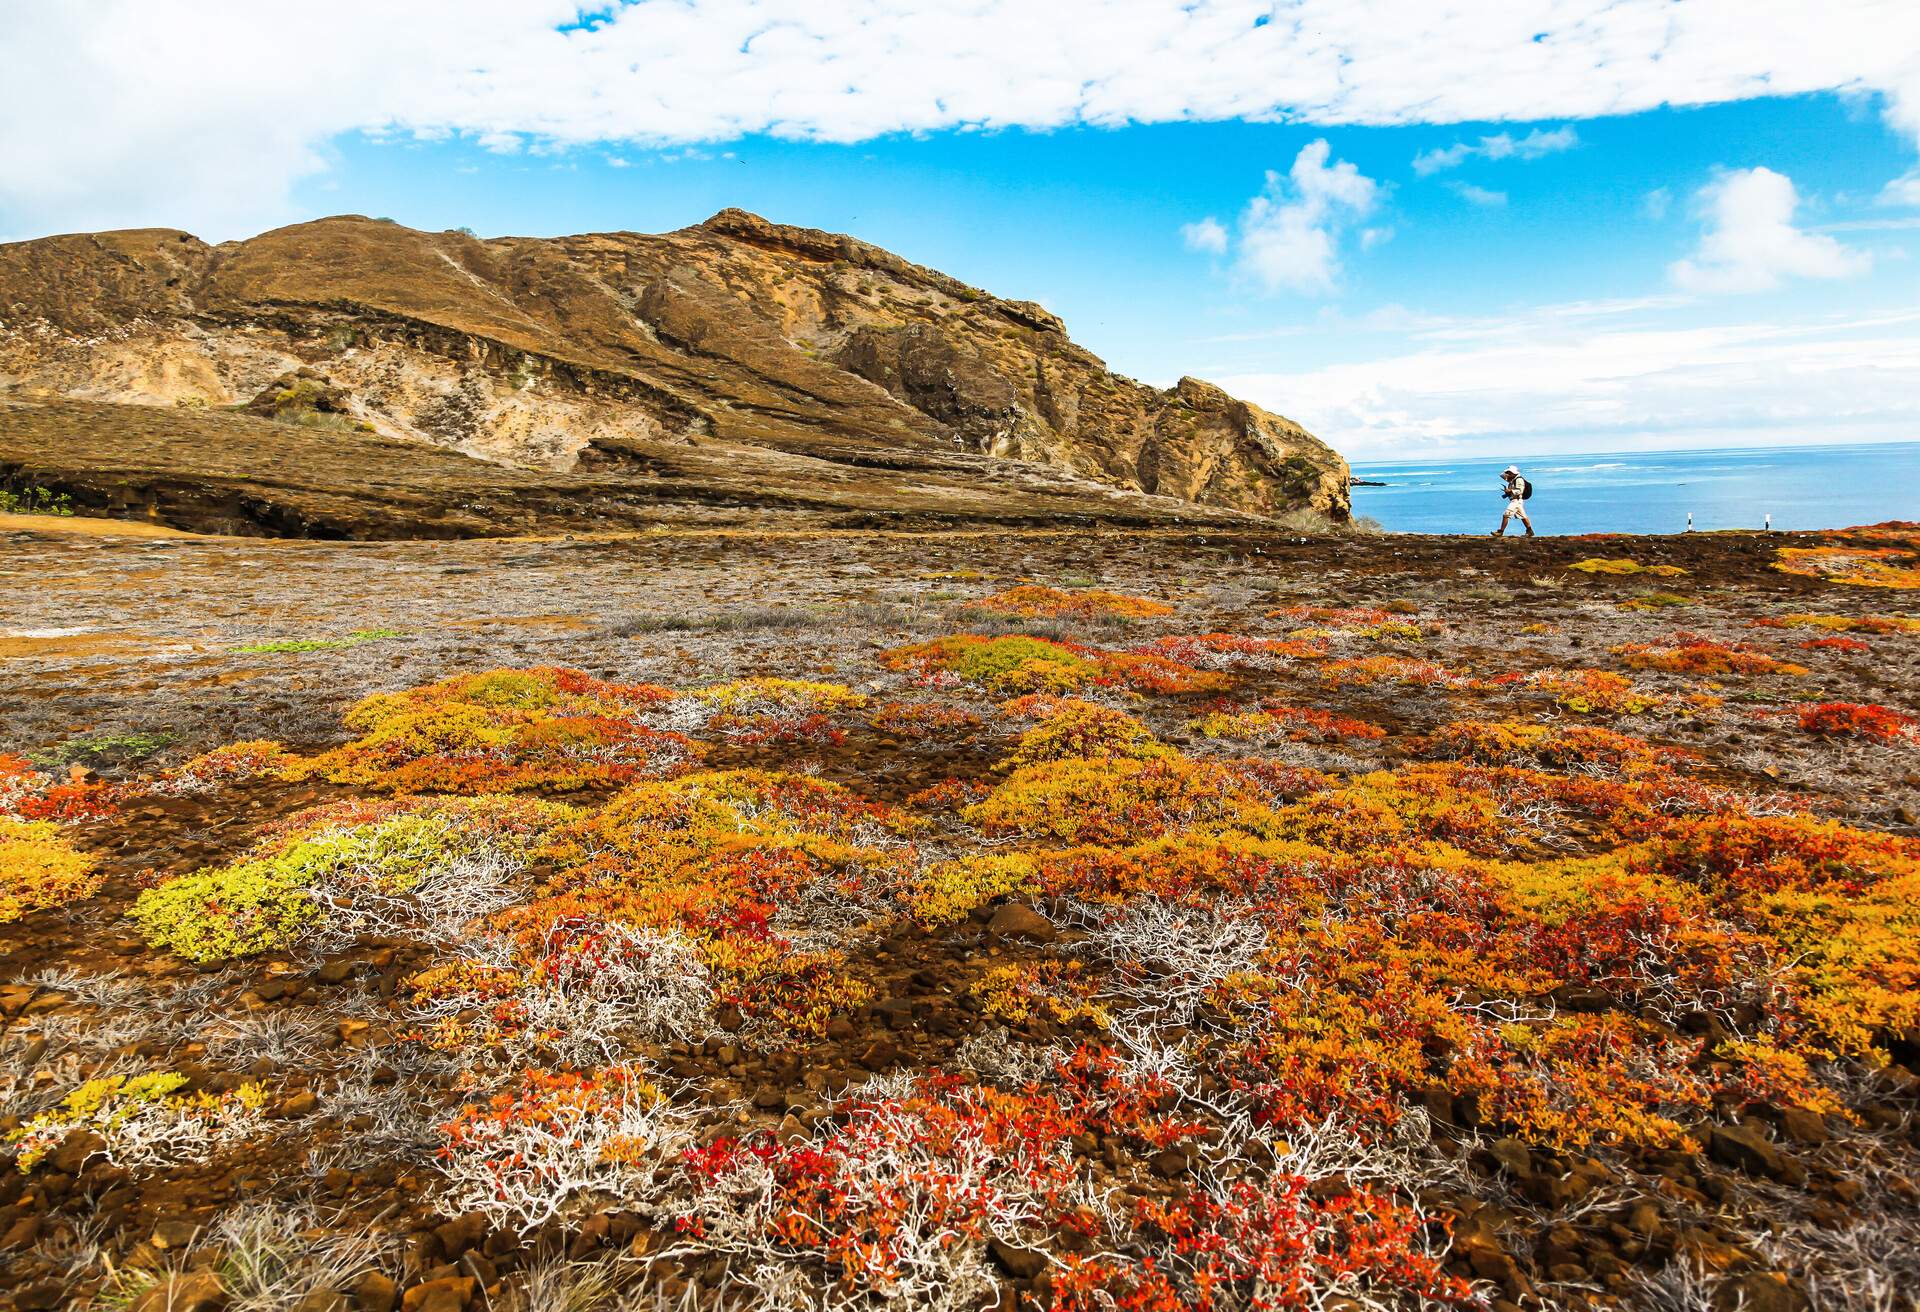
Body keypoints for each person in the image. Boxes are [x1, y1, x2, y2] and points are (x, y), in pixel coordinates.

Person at [1492, 465, 1534, 537]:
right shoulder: (1512, 479)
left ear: (1513, 473)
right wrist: (1507, 473)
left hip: (1516, 500)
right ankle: (1530, 531)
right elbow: (1502, 475)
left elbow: (1520, 491)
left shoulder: (1518, 480)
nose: (1507, 474)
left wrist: (1510, 490)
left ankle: (1500, 532)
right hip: (1517, 500)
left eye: (1509, 472)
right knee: (1523, 516)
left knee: (1506, 514)